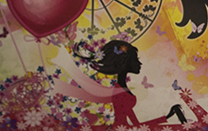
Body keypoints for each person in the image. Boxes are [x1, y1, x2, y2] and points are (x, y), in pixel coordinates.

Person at [52, 40, 185, 126]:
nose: (139, 63)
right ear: (124, 62)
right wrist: (168, 116)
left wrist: (167, 117)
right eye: (136, 59)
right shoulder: (121, 93)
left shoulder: (120, 89)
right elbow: (136, 126)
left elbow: (134, 125)